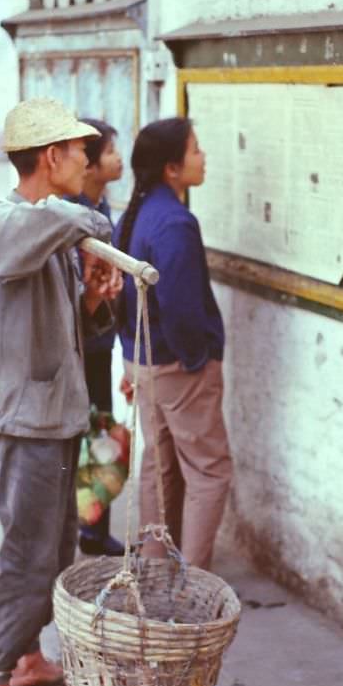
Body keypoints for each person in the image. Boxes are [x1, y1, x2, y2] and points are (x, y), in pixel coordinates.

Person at [0, 97, 122, 686]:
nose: (89, 163)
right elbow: (91, 220)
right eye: (82, 152)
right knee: (27, 553)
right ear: (51, 157)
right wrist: (92, 234)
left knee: (56, 549)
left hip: (56, 414)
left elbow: (66, 329)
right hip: (21, 420)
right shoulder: (8, 223)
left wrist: (90, 297)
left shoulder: (50, 231)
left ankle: (27, 656)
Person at [114, 117, 233, 571]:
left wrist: (135, 357)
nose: (203, 158)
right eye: (196, 149)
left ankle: (156, 568)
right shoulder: (175, 223)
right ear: (171, 168)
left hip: (143, 362)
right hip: (176, 367)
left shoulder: (136, 214)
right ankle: (196, 579)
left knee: (158, 465)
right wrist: (197, 358)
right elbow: (181, 307)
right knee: (209, 471)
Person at [70, 117, 125, 556]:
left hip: (101, 345)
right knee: (78, 439)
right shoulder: (72, 217)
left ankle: (93, 526)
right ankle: (76, 525)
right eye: (110, 152)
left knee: (100, 435)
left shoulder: (104, 209)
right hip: (76, 347)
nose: (118, 159)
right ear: (87, 165)